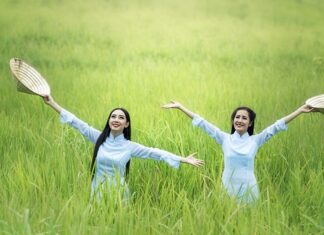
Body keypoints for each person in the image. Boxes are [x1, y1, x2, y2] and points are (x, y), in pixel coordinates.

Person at [43, 95, 204, 201]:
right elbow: (75, 122)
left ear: (126, 124)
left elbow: (155, 152)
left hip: (118, 195)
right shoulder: (98, 137)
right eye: (113, 116)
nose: (116, 119)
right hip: (96, 193)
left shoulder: (129, 147)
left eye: (121, 117)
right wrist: (52, 103)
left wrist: (183, 159)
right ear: (109, 120)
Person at [162, 101, 316, 203]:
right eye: (237, 117)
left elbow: (276, 126)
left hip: (249, 188)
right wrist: (181, 107)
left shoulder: (255, 140)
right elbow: (203, 123)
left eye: (244, 118)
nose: (239, 120)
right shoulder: (225, 139)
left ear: (250, 123)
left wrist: (300, 111)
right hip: (227, 188)